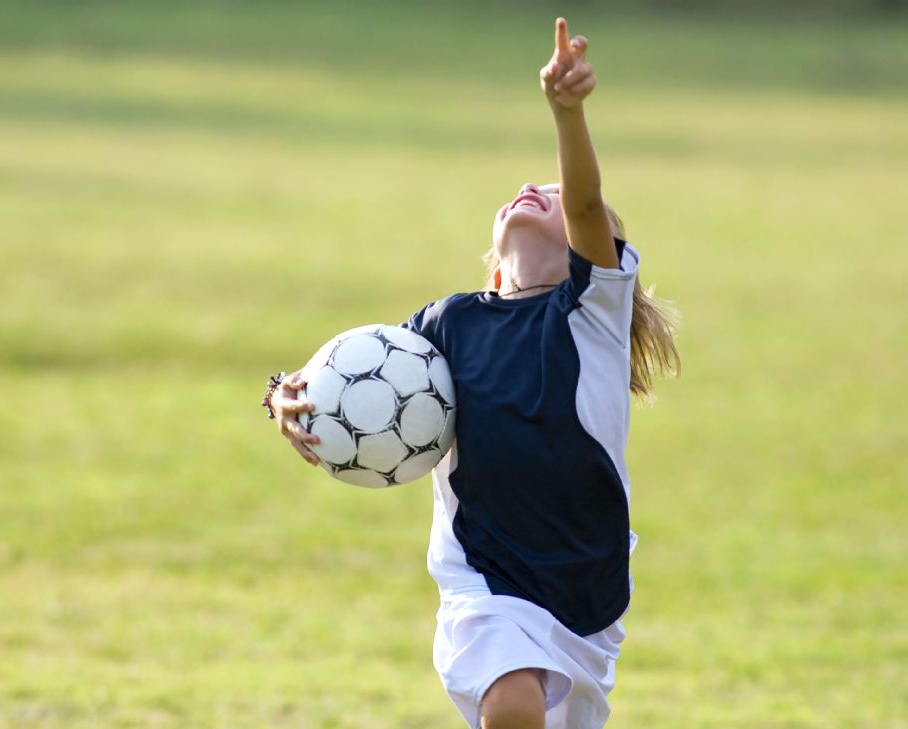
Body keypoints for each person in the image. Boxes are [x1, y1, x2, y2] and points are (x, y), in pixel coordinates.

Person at [263, 18, 681, 729]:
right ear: (491, 265)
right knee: (511, 702)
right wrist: (282, 394)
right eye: (528, 188)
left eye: (554, 195)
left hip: (586, 585)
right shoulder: (447, 324)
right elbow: (351, 378)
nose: (534, 188)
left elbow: (585, 200)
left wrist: (567, 113)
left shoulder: (588, 316)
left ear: (599, 249)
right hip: (482, 574)